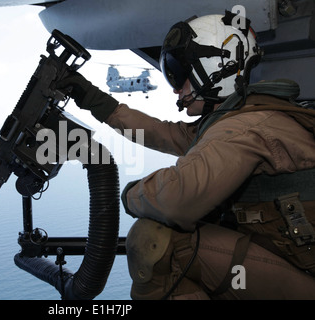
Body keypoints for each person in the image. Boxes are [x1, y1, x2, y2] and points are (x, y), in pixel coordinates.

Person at [57, 12, 315, 299]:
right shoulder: (237, 118)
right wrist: (91, 98)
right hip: (288, 256)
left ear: (218, 69)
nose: (177, 87)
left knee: (151, 240)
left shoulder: (244, 129)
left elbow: (175, 201)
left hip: (305, 275)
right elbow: (159, 133)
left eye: (180, 75)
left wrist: (130, 194)